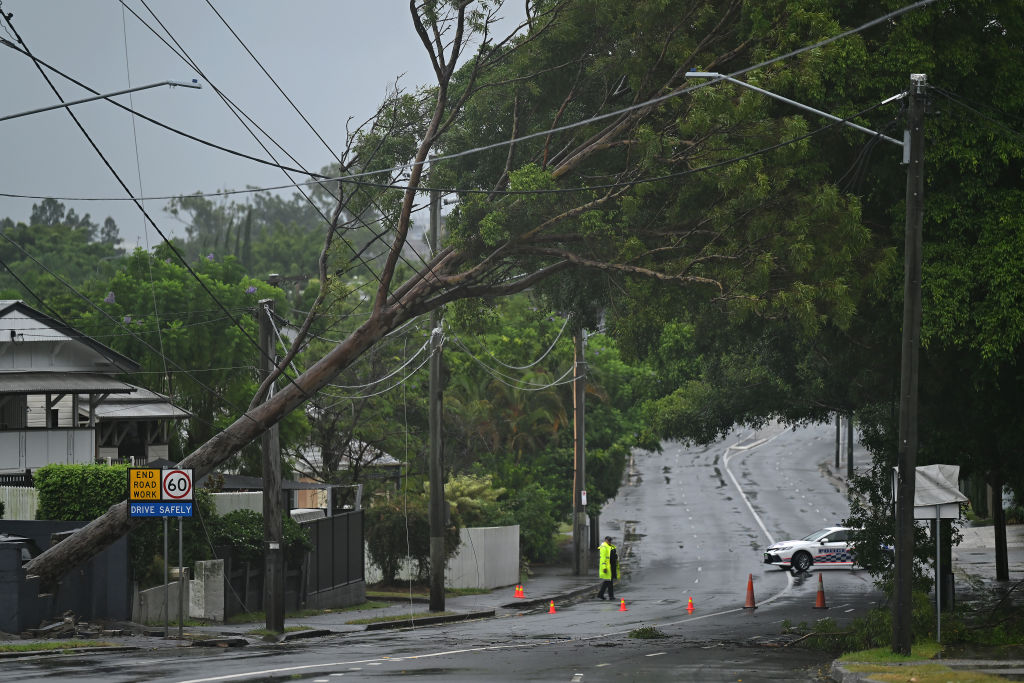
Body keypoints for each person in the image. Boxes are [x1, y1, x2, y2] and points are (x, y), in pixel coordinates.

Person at [597, 536, 619, 600]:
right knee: (609, 582)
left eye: (610, 540)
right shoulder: (604, 547)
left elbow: (614, 555)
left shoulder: (611, 546)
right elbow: (603, 558)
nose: (609, 541)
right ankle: (610, 596)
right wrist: (604, 567)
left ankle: (601, 594)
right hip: (607, 567)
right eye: (608, 540)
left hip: (612, 566)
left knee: (608, 581)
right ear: (605, 540)